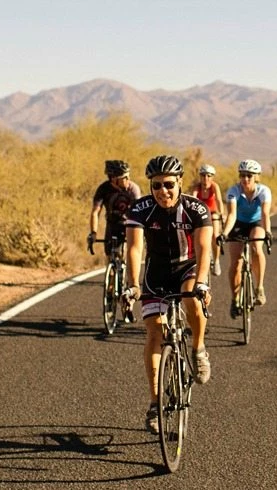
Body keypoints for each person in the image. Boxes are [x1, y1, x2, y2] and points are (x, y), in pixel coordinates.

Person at [124, 155, 215, 433]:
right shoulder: (140, 209)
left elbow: (203, 249)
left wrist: (202, 283)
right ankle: (154, 404)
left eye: (169, 185)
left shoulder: (196, 208)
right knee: (154, 333)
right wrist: (133, 284)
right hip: (156, 274)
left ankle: (198, 349)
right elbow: (134, 249)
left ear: (180, 183)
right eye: (156, 186)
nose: (163, 191)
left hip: (188, 270)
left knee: (191, 300)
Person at [89, 159, 143, 323]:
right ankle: (111, 286)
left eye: (128, 177)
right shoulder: (103, 189)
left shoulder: (133, 189)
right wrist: (92, 232)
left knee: (129, 258)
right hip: (112, 225)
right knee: (111, 259)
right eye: (123, 178)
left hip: (130, 225)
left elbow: (139, 214)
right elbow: (95, 212)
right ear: (113, 178)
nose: (127, 180)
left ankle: (129, 299)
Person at [219, 159, 273, 318]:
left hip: (256, 223)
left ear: (256, 177)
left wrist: (268, 232)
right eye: (242, 175)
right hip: (238, 223)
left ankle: (260, 288)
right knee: (235, 262)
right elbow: (231, 215)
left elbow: (265, 215)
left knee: (256, 248)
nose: (245, 179)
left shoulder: (264, 191)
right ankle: (235, 299)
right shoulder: (233, 191)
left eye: (249, 175)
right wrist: (224, 233)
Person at [189, 164, 226, 276]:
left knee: (215, 235)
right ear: (200, 177)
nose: (206, 178)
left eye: (209, 176)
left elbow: (219, 201)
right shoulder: (197, 187)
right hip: (200, 214)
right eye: (203, 175)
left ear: (212, 177)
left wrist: (222, 214)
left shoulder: (214, 186)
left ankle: (217, 261)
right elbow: (193, 199)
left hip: (213, 213)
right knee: (193, 235)